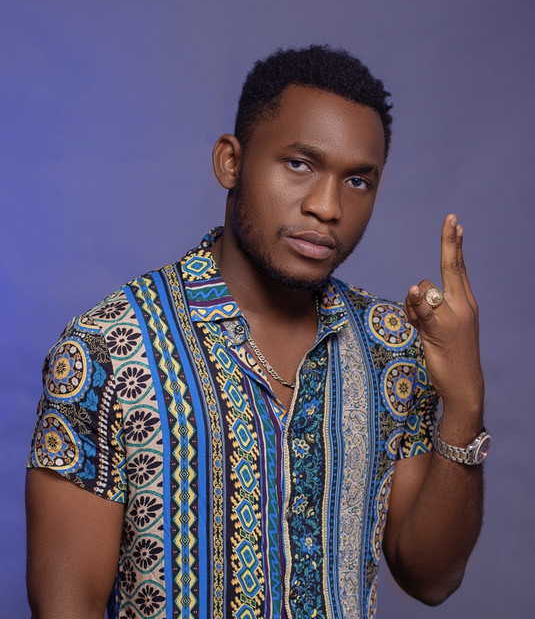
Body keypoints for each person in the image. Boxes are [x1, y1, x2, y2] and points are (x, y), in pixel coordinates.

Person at [26, 45, 488, 619]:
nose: (327, 207)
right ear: (231, 162)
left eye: (357, 181)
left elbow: (431, 578)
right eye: (299, 164)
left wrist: (465, 401)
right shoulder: (108, 350)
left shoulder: (390, 346)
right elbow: (66, 606)